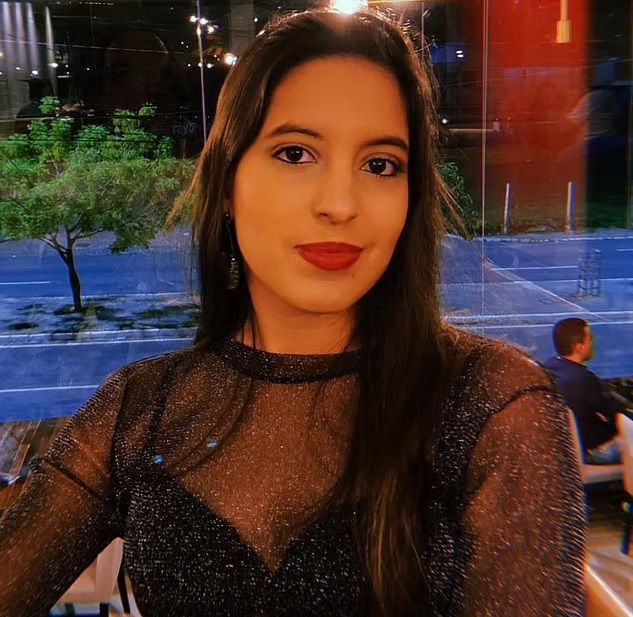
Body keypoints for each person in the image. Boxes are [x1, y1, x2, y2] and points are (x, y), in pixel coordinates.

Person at [0, 9, 585, 617]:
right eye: (296, 153)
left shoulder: (492, 404)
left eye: (380, 165)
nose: (340, 204)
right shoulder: (138, 412)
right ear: (228, 185)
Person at [545, 317, 629, 465]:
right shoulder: (583, 379)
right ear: (579, 347)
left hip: (564, 450)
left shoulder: (549, 367)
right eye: (589, 339)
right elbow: (620, 412)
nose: (592, 343)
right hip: (593, 453)